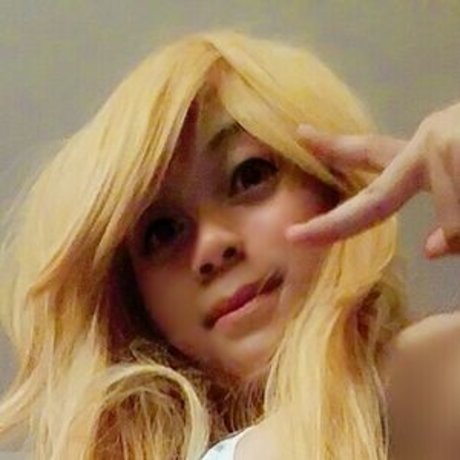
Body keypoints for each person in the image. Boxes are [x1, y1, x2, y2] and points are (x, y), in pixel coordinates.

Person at [0, 30, 457, 460]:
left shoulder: (434, 373)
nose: (212, 248)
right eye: (162, 231)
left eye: (250, 176)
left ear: (333, 186)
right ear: (135, 299)